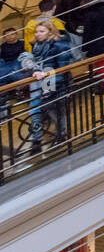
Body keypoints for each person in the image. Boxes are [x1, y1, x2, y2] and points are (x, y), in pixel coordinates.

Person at [20, 20, 74, 153]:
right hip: (41, 82)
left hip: (54, 82)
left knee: (56, 111)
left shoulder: (60, 45)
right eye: (37, 31)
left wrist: (48, 85)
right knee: (36, 110)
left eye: (41, 31)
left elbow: (62, 68)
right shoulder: (38, 46)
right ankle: (37, 140)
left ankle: (61, 135)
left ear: (50, 32)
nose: (38, 34)